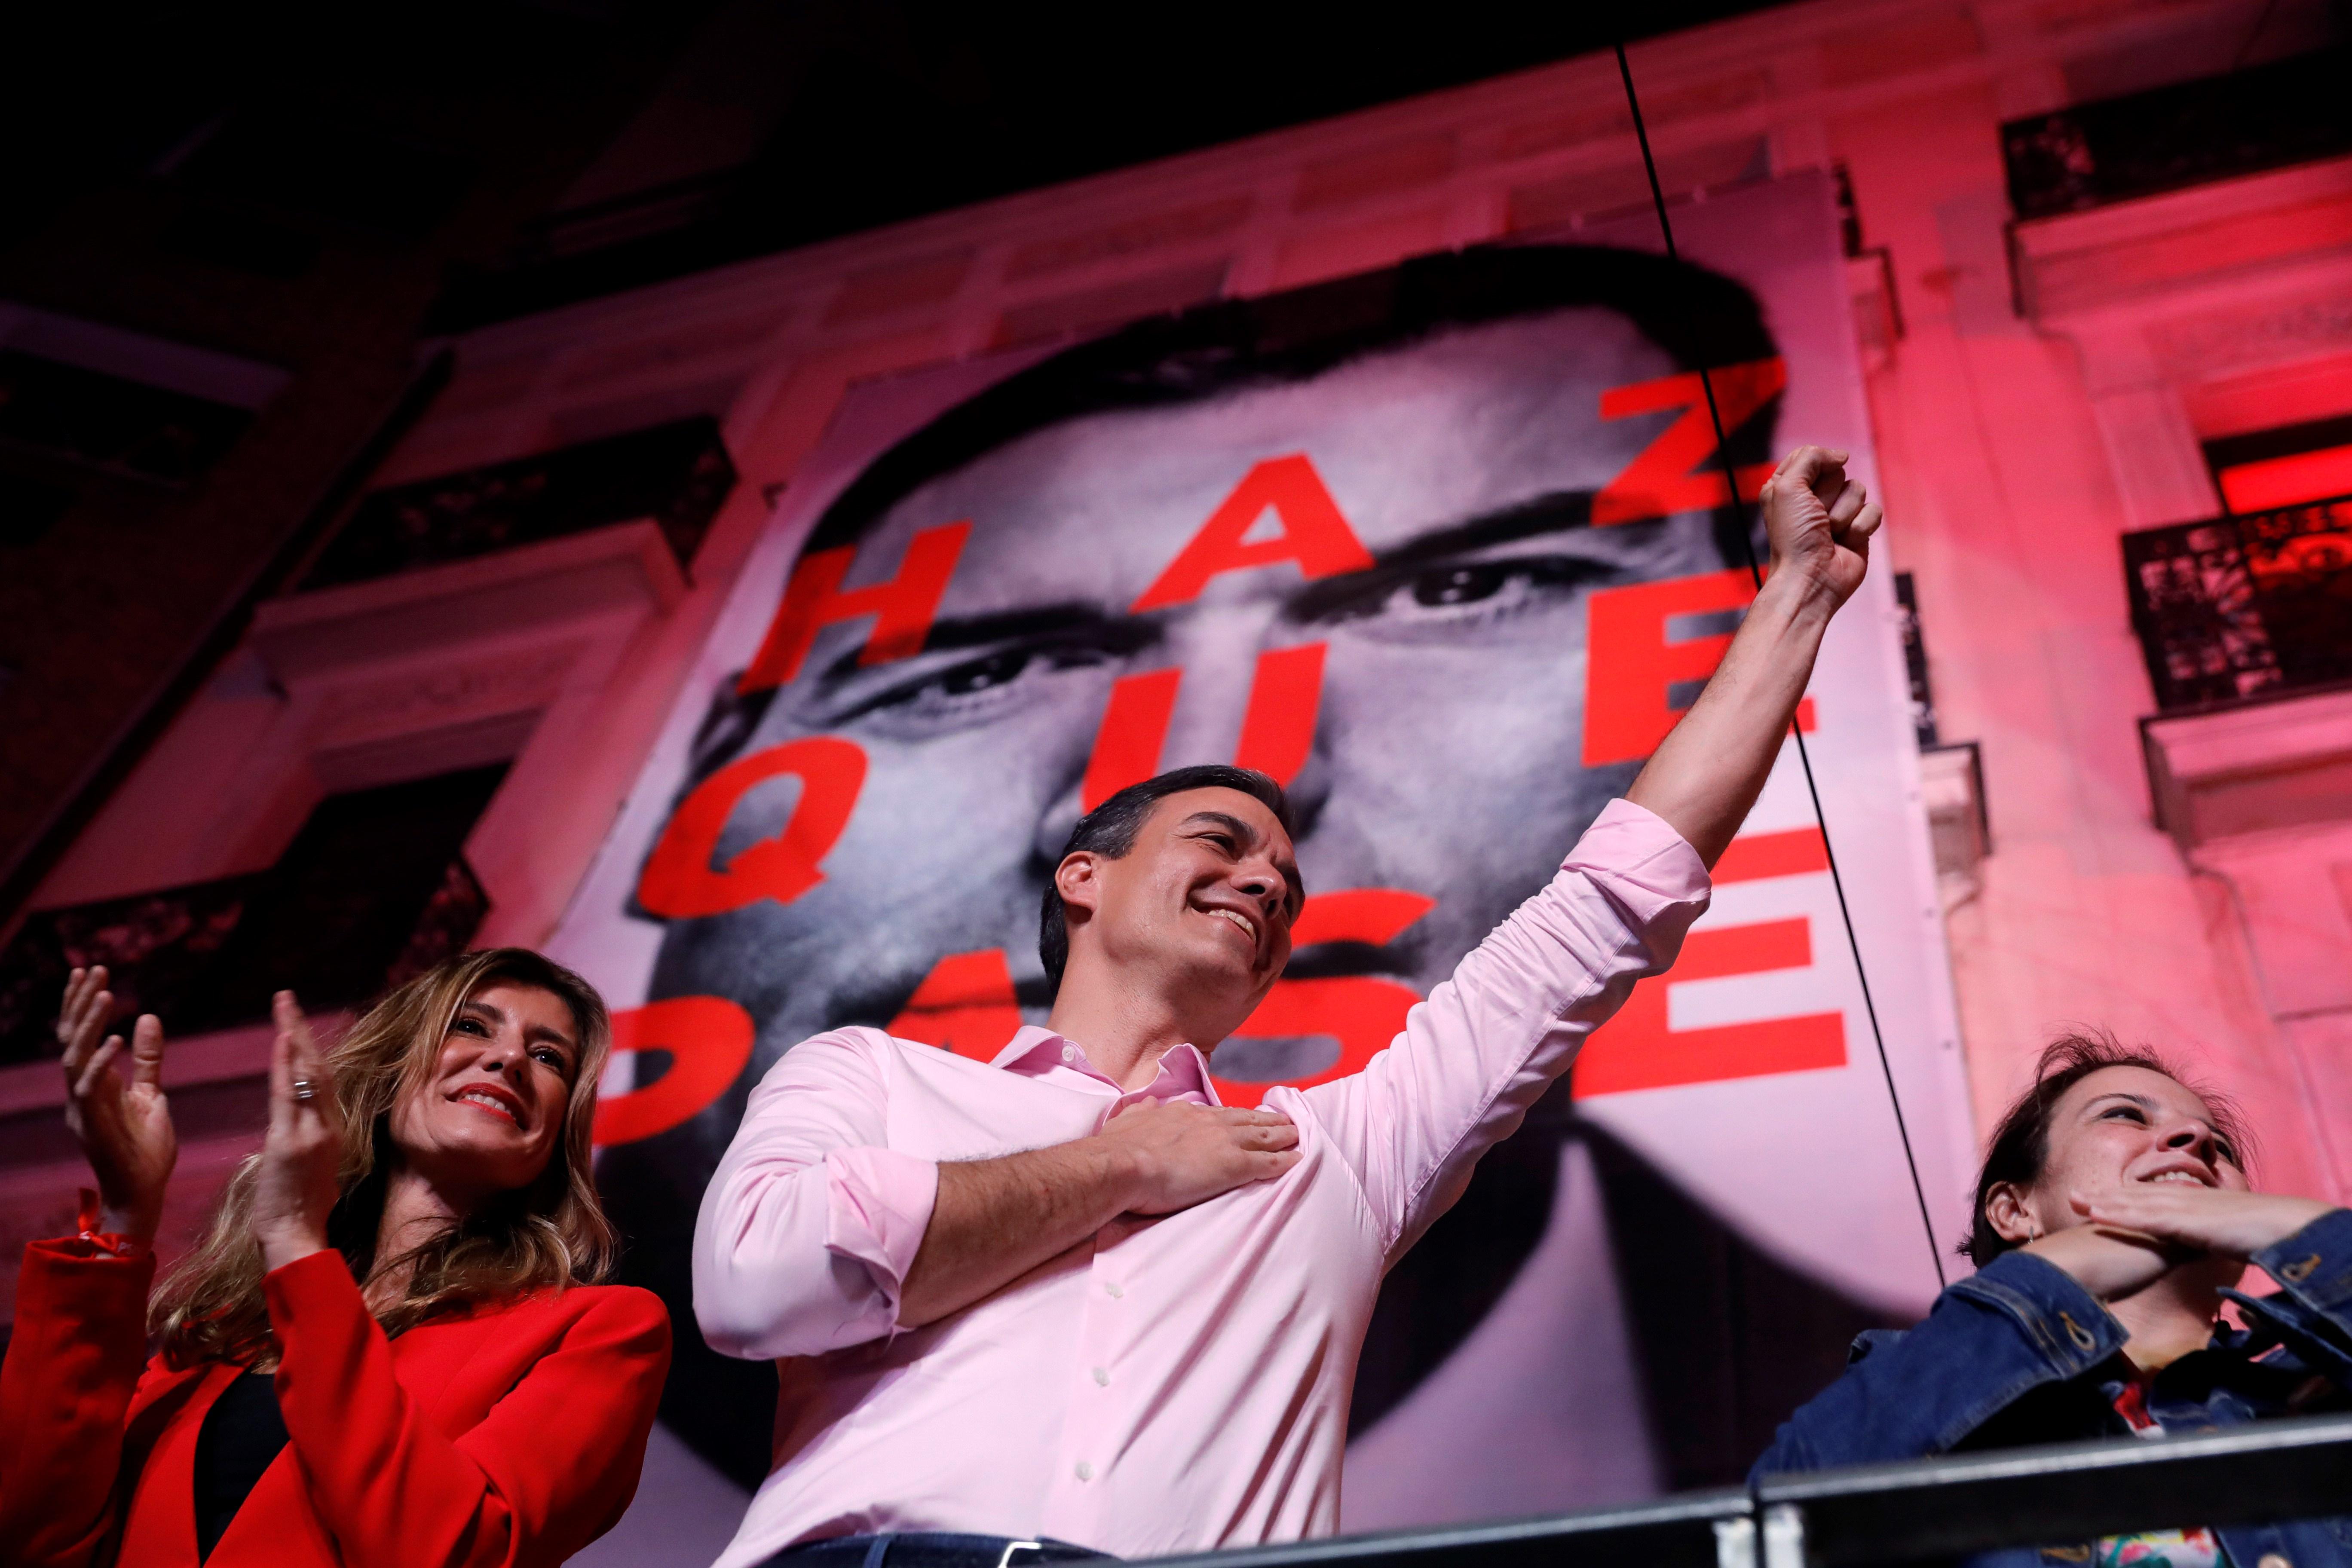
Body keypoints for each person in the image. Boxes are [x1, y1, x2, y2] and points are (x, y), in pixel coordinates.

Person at [607, 245, 1899, 1503]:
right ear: (1084, 880)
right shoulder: (866, 1078)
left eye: (1467, 588)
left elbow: (1619, 894)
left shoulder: (1337, 1151)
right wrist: (1124, 1163)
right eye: (985, 670)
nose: (1274, 868)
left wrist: (1795, 597)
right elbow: (761, 1282)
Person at [0, 949, 673, 1568]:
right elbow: (33, 1534)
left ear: (558, 1135)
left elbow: (450, 1552)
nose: (509, 1060)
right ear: (389, 1070)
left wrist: (297, 1242)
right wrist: (125, 1222)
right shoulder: (227, 1331)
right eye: (471, 1026)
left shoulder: (603, 1331)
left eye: (549, 1058)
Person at [1752, 1034, 2352, 1568]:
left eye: (2221, 1147)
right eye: (2124, 1116)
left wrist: (2314, 1231)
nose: (2196, 1140)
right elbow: (1771, 1532)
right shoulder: (1926, 1383)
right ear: (2015, 1212)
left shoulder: (2315, 1385)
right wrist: (2058, 1271)